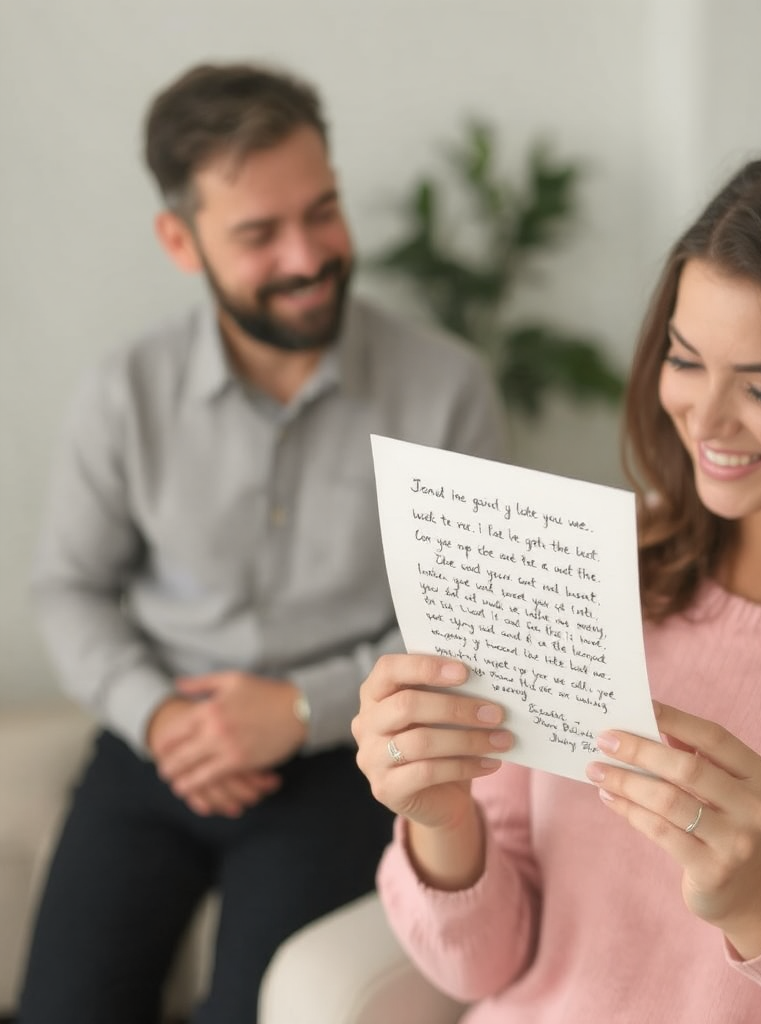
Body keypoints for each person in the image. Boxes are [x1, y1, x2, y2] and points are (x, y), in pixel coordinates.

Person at [352, 147, 761, 1021]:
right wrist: (444, 819)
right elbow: (481, 969)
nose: (703, 418)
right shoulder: (598, 566)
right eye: (684, 358)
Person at [18, 62, 504, 1024]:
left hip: (339, 758)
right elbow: (68, 589)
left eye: (321, 210)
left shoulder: (448, 390)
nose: (307, 254)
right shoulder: (124, 393)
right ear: (179, 240)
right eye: (258, 232)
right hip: (157, 743)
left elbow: (468, 634)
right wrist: (158, 718)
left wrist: (297, 709)